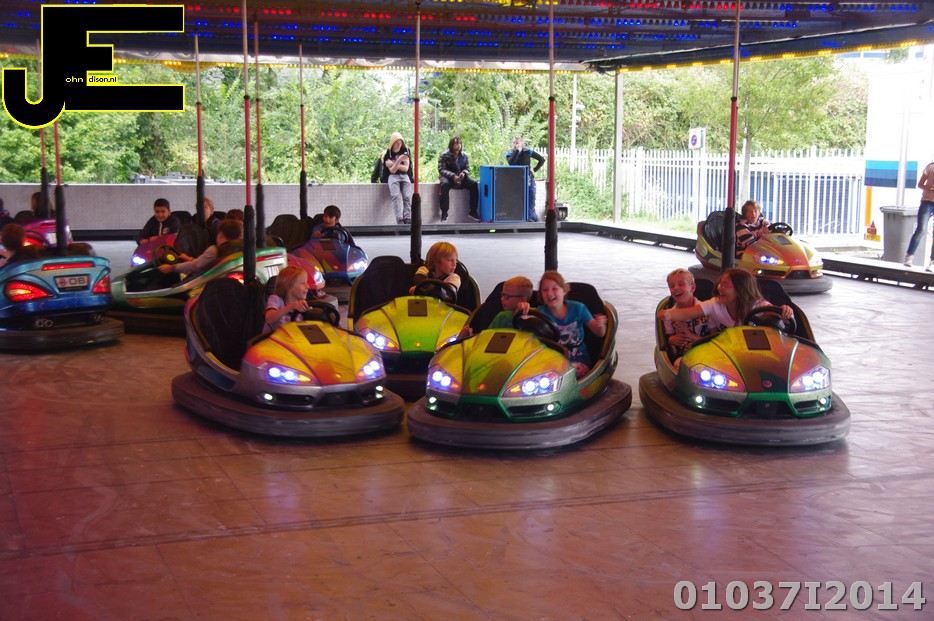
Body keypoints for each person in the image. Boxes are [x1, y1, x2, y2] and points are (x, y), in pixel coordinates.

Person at [518, 271, 607, 378]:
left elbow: (599, 333)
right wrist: (522, 310)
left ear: (564, 291)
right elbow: (524, 329)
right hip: (551, 361)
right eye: (545, 290)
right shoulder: (539, 313)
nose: (549, 293)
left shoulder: (578, 308)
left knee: (559, 373)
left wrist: (600, 324)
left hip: (579, 360)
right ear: (541, 294)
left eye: (554, 289)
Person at [657, 268, 793, 336]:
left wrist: (786, 312)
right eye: (720, 284)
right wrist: (668, 314)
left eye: (725, 285)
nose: (719, 288)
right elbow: (689, 313)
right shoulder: (715, 304)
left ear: (740, 289)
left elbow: (781, 318)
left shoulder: (758, 306)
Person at [157, 218, 243, 277]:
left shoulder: (215, 250)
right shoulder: (240, 249)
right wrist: (189, 259)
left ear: (221, 235)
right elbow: (203, 263)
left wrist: (172, 268)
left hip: (206, 285)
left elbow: (195, 266)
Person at [660, 268, 710, 364]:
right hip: (684, 358)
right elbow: (668, 338)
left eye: (681, 284)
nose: (675, 288)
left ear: (692, 288)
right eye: (671, 286)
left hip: (707, 353)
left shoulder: (706, 310)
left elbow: (713, 340)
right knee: (678, 364)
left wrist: (691, 336)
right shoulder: (669, 315)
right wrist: (671, 340)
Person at [437, 136, 480, 223]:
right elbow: (442, 170)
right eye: (456, 143)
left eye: (460, 143)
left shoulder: (464, 156)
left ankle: (473, 211)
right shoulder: (444, 155)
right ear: (451, 145)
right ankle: (444, 212)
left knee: (474, 184)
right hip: (449, 177)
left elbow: (467, 168)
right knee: (444, 185)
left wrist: (463, 173)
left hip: (461, 177)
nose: (459, 145)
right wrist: (453, 176)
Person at [505, 137, 545, 222]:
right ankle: (519, 216)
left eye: (517, 143)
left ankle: (531, 216)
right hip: (516, 179)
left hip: (528, 177)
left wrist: (534, 169)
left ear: (521, 144)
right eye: (514, 143)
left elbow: (541, 159)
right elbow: (511, 162)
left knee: (531, 196)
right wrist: (517, 151)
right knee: (518, 198)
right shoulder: (510, 153)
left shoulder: (527, 151)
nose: (516, 145)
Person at [903, 160, 934, 271]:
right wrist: (929, 188)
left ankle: (932, 262)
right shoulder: (930, 167)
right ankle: (909, 257)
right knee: (921, 229)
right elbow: (920, 184)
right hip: (927, 202)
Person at [263, 265, 310, 334]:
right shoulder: (276, 299)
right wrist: (290, 307)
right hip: (273, 339)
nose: (308, 286)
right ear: (289, 286)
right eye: (303, 283)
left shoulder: (302, 305)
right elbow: (269, 318)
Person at [381, 132, 414, 224]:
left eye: (400, 143)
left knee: (407, 196)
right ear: (393, 143)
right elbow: (392, 171)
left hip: (405, 176)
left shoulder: (405, 151)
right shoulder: (388, 153)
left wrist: (394, 163)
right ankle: (399, 218)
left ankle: (407, 217)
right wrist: (399, 161)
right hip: (393, 176)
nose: (398, 145)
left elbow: (406, 168)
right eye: (396, 143)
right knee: (395, 196)